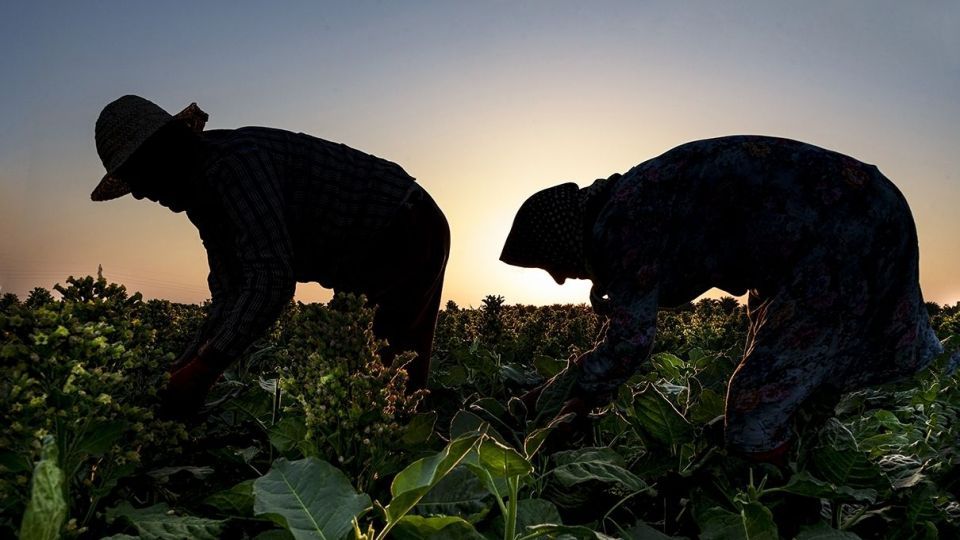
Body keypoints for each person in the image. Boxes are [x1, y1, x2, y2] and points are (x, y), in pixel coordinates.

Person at [501, 135, 947, 462]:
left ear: (560, 240)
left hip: (842, 229)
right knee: (796, 385)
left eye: (548, 263)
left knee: (753, 411)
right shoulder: (630, 202)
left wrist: (562, 402)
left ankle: (780, 512)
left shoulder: (622, 225)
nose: (558, 278)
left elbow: (629, 343)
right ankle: (802, 469)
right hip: (863, 208)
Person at [91, 95, 449, 416]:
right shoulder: (203, 196)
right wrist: (184, 366)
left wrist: (201, 372)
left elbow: (271, 279)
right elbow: (229, 292)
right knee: (354, 374)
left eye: (138, 177)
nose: (139, 194)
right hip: (363, 254)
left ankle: (407, 465)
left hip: (403, 225)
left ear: (165, 151)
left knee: (388, 379)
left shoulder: (236, 163)